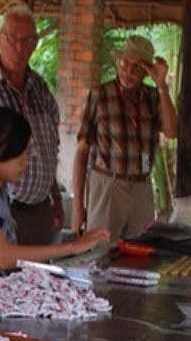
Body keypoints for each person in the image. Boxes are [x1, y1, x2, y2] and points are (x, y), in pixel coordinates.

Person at [0, 107, 109, 296]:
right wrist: (72, 248)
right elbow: (5, 257)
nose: (27, 161)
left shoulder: (1, 189)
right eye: (23, 153)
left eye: (29, 152)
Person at [72, 34, 179, 242]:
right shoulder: (100, 94)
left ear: (146, 72)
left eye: (137, 67)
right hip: (108, 183)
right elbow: (82, 149)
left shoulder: (153, 96)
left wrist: (162, 86)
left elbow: (172, 131)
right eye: (125, 63)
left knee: (139, 254)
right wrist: (78, 206)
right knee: (101, 252)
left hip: (141, 187)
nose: (128, 70)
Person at [0, 5, 63, 245]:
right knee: (2, 280)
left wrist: (56, 198)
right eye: (12, 38)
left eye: (27, 39)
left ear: (35, 44)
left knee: (38, 280)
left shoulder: (40, 89)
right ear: (0, 39)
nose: (19, 47)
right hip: (0, 210)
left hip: (40, 211)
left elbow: (51, 148)